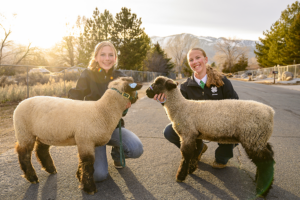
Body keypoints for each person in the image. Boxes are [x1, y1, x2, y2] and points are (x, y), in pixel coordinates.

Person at [68, 41, 143, 182]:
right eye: (102, 54)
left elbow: (134, 89)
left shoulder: (121, 76)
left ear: (115, 58)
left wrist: (131, 100)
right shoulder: (87, 74)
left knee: (136, 149)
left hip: (114, 127)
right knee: (99, 175)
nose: (107, 58)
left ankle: (116, 151)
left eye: (110, 55)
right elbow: (75, 96)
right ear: (96, 57)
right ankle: (86, 158)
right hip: (93, 130)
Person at [154, 47, 239, 168]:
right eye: (191, 60)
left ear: (205, 59)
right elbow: (177, 114)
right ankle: (197, 149)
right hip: (196, 127)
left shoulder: (222, 81)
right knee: (169, 131)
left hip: (220, 124)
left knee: (236, 126)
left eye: (198, 58)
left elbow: (235, 104)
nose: (195, 62)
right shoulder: (185, 87)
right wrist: (164, 102)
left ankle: (222, 156)